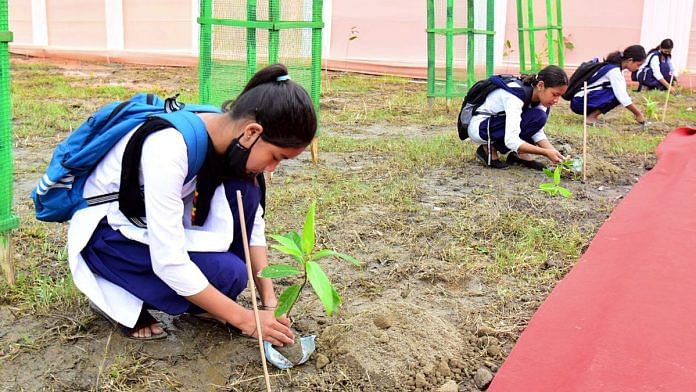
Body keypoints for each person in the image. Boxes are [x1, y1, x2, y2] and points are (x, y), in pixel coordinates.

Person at [67, 64, 315, 345]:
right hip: (108, 236)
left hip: (150, 223)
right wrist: (247, 320)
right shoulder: (167, 146)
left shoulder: (229, 139)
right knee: (226, 273)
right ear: (251, 132)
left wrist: (269, 304)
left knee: (243, 203)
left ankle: (204, 301)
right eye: (276, 157)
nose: (272, 168)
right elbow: (168, 261)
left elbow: (252, 224)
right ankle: (114, 290)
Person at [467, 65, 569, 170]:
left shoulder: (542, 100)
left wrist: (557, 155)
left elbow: (536, 131)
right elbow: (511, 140)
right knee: (538, 117)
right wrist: (545, 152)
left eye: (560, 96)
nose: (557, 100)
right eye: (555, 94)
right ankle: (487, 150)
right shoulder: (515, 96)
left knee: (538, 117)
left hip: (498, 124)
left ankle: (519, 154)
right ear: (541, 85)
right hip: (481, 128)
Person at [570, 45, 647, 125]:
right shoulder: (614, 71)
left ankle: (591, 116)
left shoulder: (615, 68)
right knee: (617, 95)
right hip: (580, 102)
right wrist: (638, 114)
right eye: (639, 64)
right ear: (630, 60)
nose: (638, 68)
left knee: (618, 93)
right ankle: (591, 118)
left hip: (582, 100)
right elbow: (623, 97)